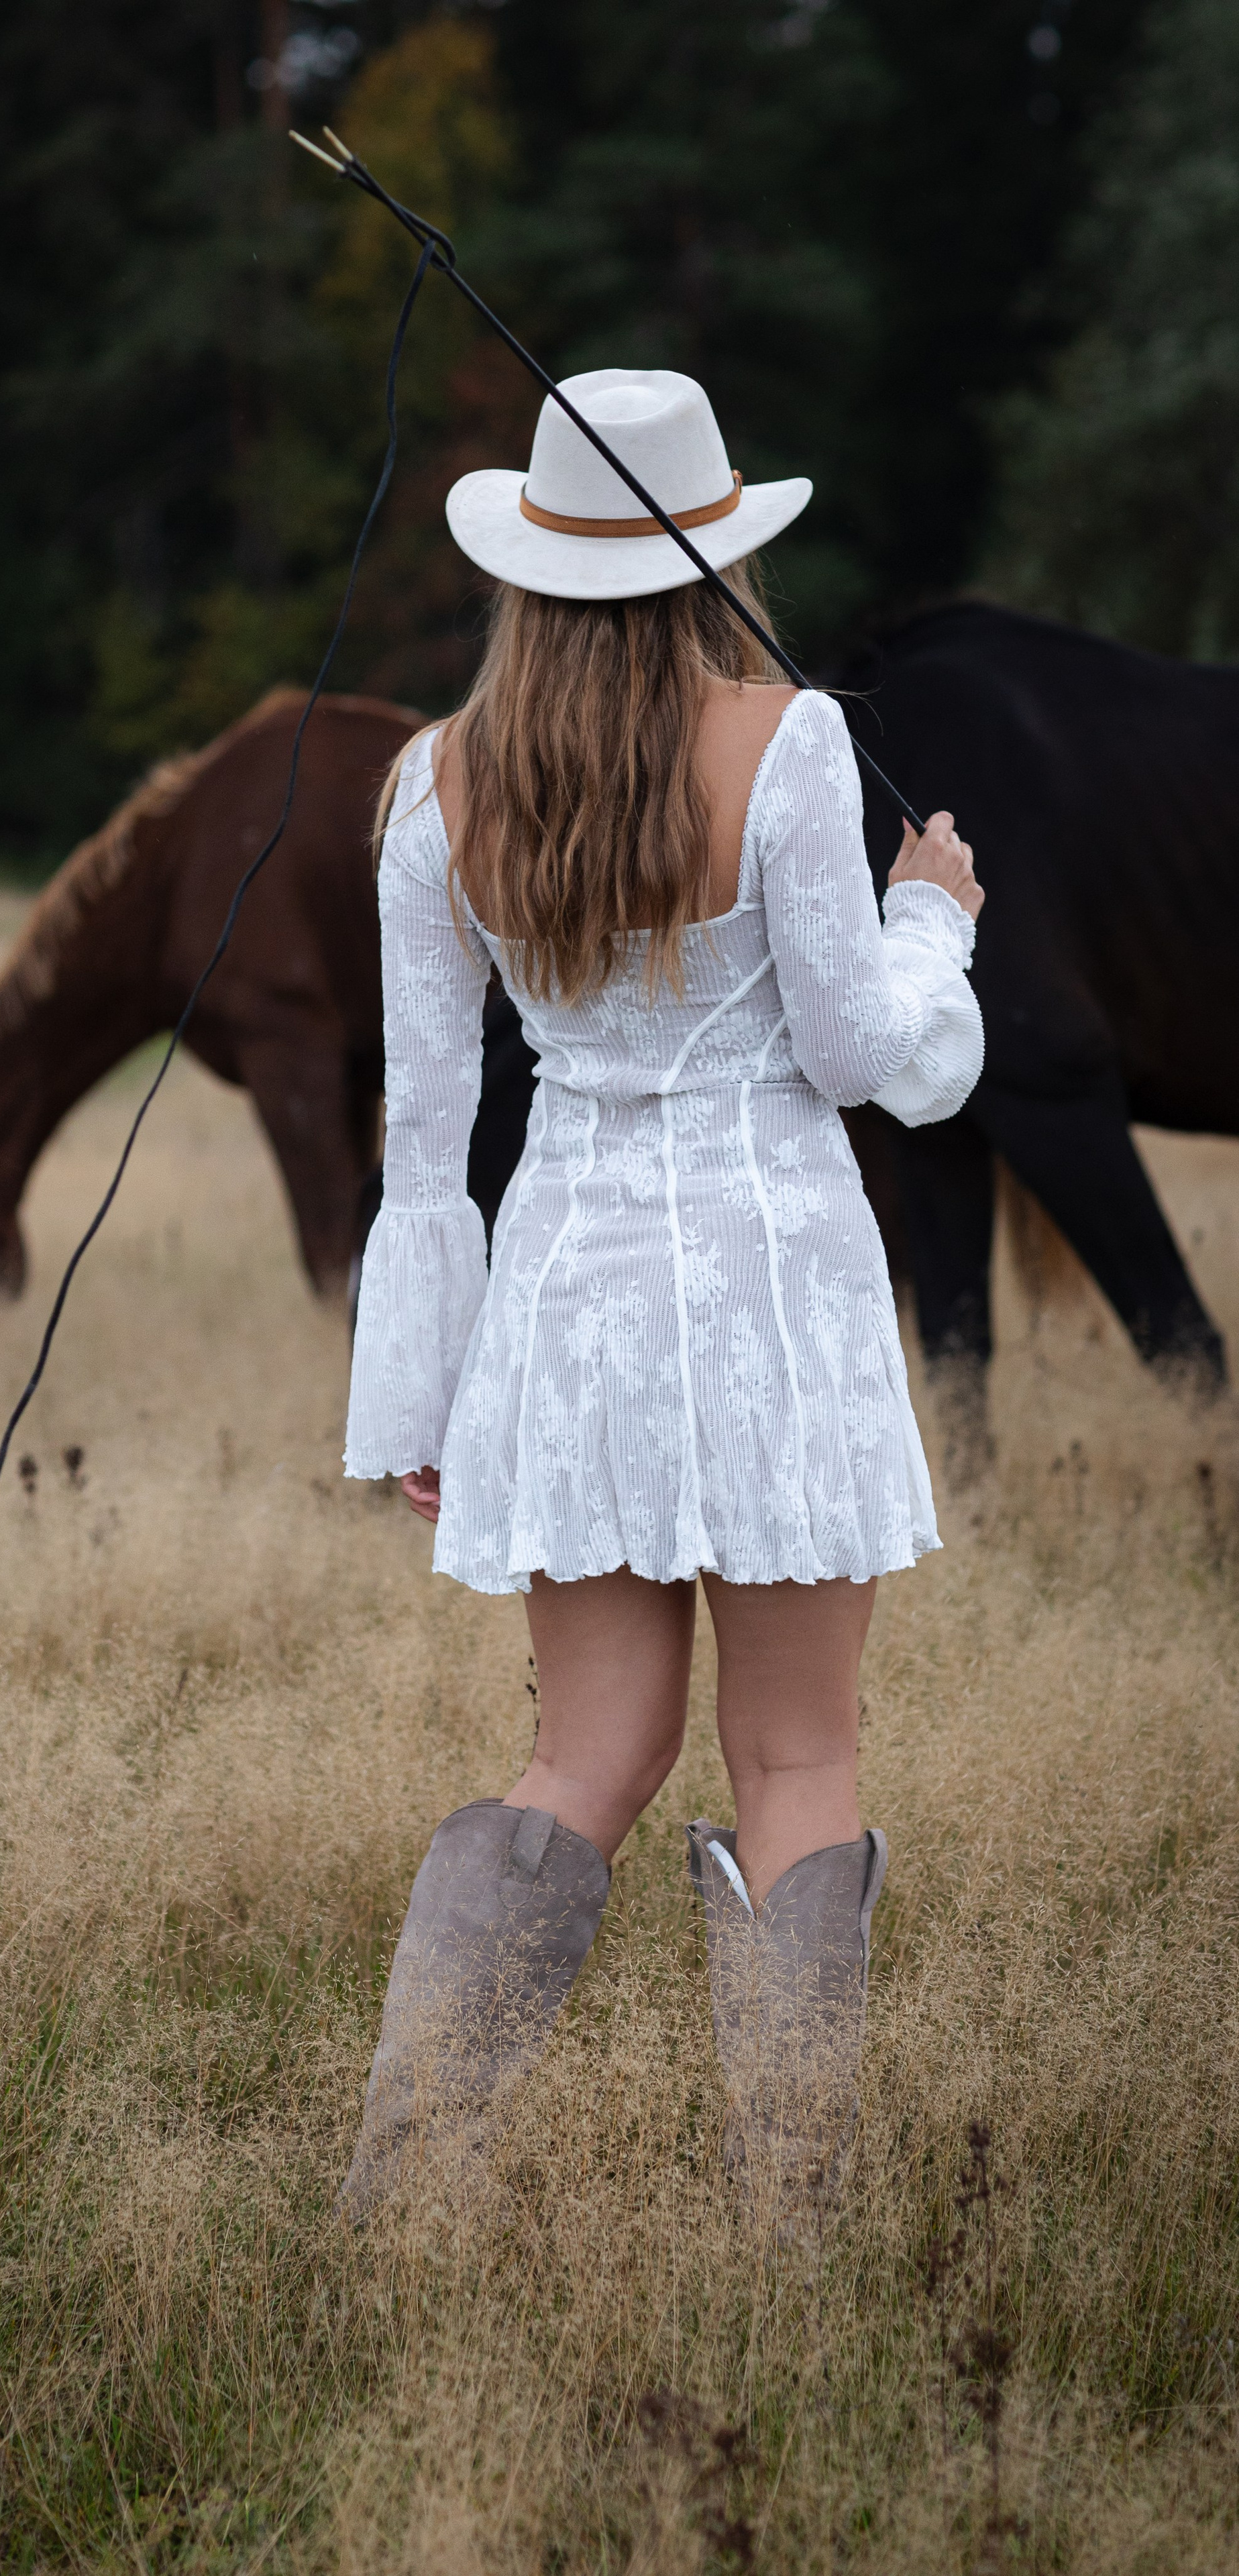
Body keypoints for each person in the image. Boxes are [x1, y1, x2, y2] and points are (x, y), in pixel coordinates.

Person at [339, 369, 984, 2228]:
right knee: (798, 1754)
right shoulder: (788, 746)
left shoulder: (433, 783)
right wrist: (933, 909)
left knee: (584, 1754)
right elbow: (877, 1059)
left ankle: (398, 2197)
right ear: (711, 552)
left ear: (535, 561)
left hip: (568, 1310)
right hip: (774, 1295)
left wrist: (422, 1400)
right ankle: (789, 2229)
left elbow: (429, 1128)